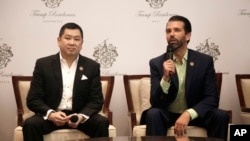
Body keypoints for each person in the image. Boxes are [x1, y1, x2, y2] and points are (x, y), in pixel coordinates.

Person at [141, 15, 229, 140]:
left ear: (188, 36)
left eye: (177, 30)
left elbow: (212, 98)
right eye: (168, 31)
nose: (171, 34)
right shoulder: (157, 63)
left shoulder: (204, 61)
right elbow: (155, 102)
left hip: (195, 114)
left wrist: (188, 114)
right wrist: (165, 78)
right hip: (168, 114)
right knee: (153, 113)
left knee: (220, 116)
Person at [23, 22, 109, 141]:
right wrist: (51, 114)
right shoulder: (43, 65)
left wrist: (81, 116)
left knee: (101, 122)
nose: (72, 43)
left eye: (77, 39)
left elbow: (97, 100)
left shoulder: (92, 66)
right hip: (52, 115)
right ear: (59, 40)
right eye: (67, 38)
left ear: (82, 43)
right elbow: (33, 99)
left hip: (78, 116)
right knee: (30, 124)